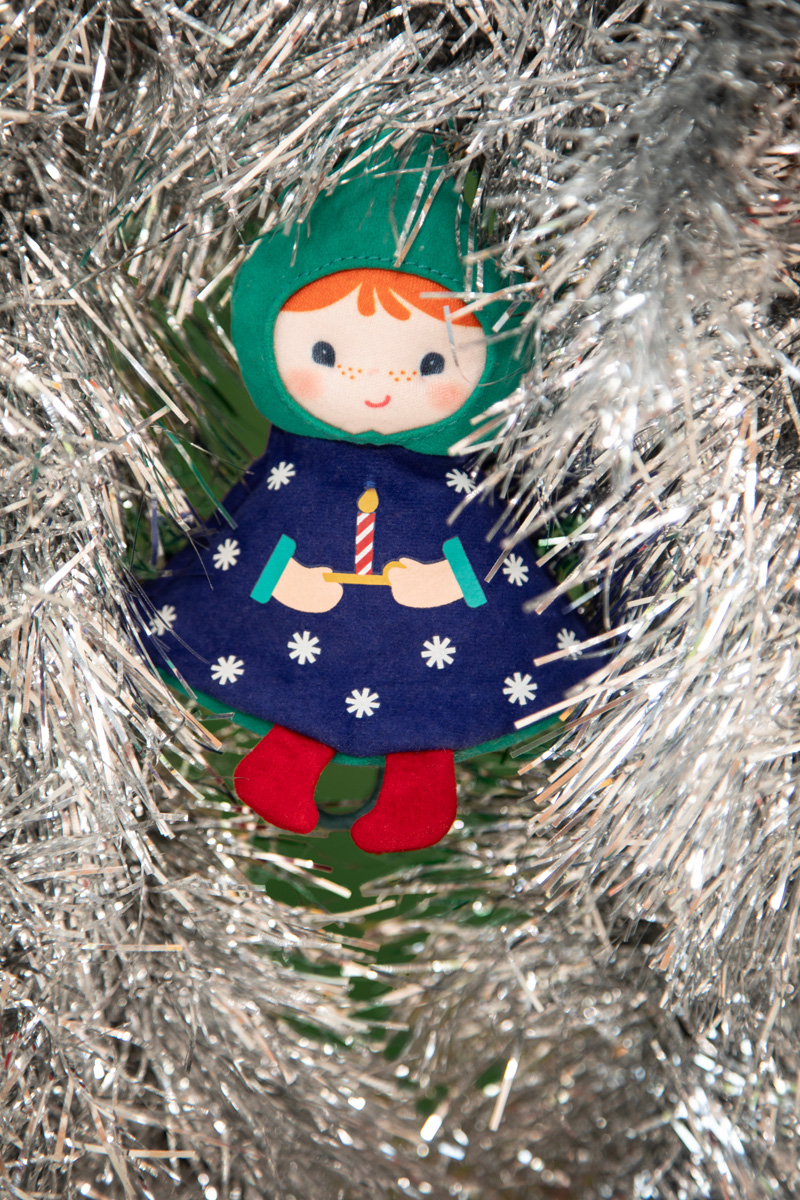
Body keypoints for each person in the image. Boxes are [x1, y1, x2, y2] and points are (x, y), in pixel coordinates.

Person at [143, 141, 591, 853]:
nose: (379, 387)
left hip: (441, 639)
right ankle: (288, 760)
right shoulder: (291, 465)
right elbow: (257, 538)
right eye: (327, 355)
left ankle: (423, 782)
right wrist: (286, 578)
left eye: (430, 363)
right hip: (302, 623)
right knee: (284, 674)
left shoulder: (460, 478)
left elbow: (485, 551)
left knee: (439, 699)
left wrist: (446, 579)